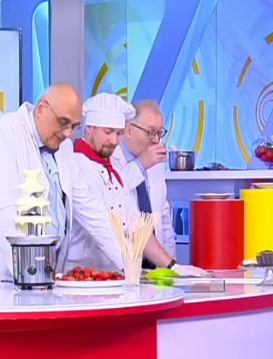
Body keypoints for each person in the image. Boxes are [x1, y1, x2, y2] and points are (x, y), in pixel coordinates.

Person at [0, 83, 124, 283]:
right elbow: (2, 214)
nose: (68, 133)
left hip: (48, 274)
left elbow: (90, 208)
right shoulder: (6, 131)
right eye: (63, 123)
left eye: (73, 126)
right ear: (40, 109)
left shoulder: (64, 148)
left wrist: (127, 263)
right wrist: (32, 272)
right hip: (12, 277)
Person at [70, 93, 205, 276]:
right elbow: (101, 226)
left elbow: (136, 223)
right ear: (89, 129)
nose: (114, 141)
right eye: (108, 132)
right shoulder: (77, 165)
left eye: (118, 133)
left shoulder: (111, 168)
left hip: (115, 275)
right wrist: (134, 268)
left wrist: (172, 266)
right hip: (81, 275)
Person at [112, 99, 176, 263]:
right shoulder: (110, 157)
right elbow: (114, 192)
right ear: (128, 130)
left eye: (160, 133)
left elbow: (164, 217)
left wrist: (172, 266)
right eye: (150, 132)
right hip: (124, 262)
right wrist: (140, 165)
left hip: (156, 265)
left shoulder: (154, 164)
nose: (156, 140)